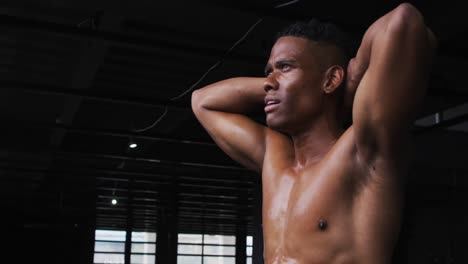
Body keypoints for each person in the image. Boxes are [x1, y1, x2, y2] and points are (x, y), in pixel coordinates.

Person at [192, 2, 436, 264]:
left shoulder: (362, 151)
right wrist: (276, 86)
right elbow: (202, 101)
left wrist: (353, 79)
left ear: (330, 80)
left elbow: (405, 22)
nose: (268, 81)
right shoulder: (274, 159)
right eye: (268, 71)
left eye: (285, 67)